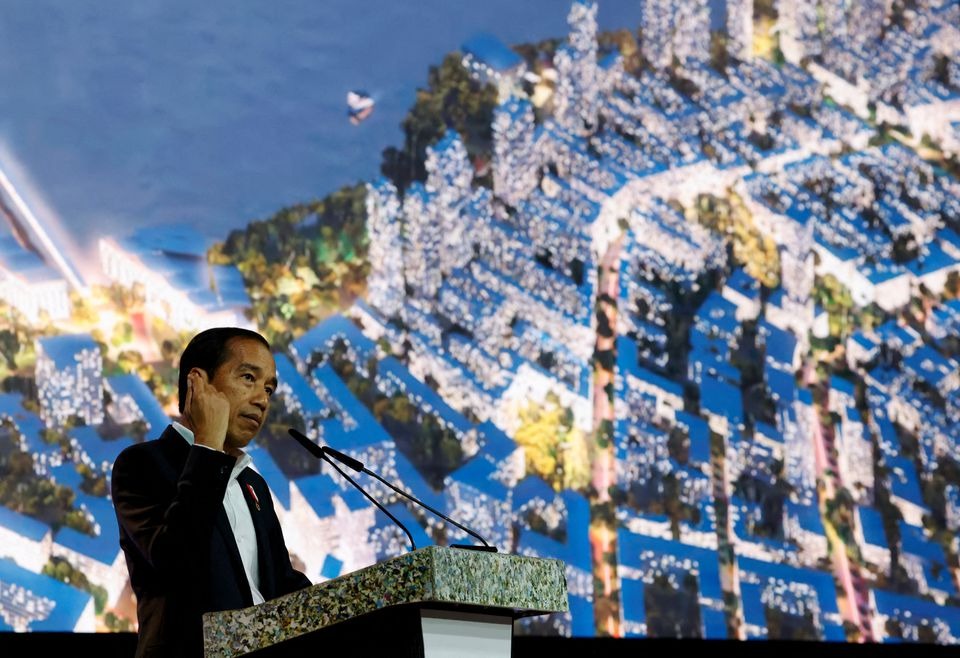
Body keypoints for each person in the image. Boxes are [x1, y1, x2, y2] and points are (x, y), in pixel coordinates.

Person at [112, 327, 311, 658]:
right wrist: (208, 445)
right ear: (197, 383)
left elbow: (283, 585)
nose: (262, 399)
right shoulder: (142, 463)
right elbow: (174, 560)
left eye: (269, 389)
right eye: (248, 377)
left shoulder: (252, 484)